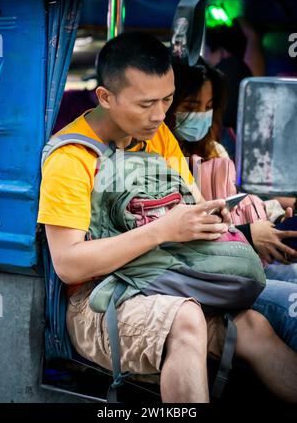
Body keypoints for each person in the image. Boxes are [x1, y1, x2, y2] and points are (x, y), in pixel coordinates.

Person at [38, 32, 297, 403]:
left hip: (164, 278)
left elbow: (190, 205)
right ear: (106, 98)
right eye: (145, 104)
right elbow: (69, 265)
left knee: (253, 327)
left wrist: (213, 217)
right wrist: (162, 230)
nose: (160, 115)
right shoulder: (70, 159)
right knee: (185, 318)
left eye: (167, 99)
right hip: (97, 302)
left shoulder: (157, 137)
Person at [166, 59, 297, 352]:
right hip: (209, 275)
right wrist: (248, 234)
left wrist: (273, 209)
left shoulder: (215, 152)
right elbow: (178, 242)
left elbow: (233, 206)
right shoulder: (157, 163)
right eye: (190, 104)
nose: (201, 115)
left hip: (240, 261)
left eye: (208, 105)